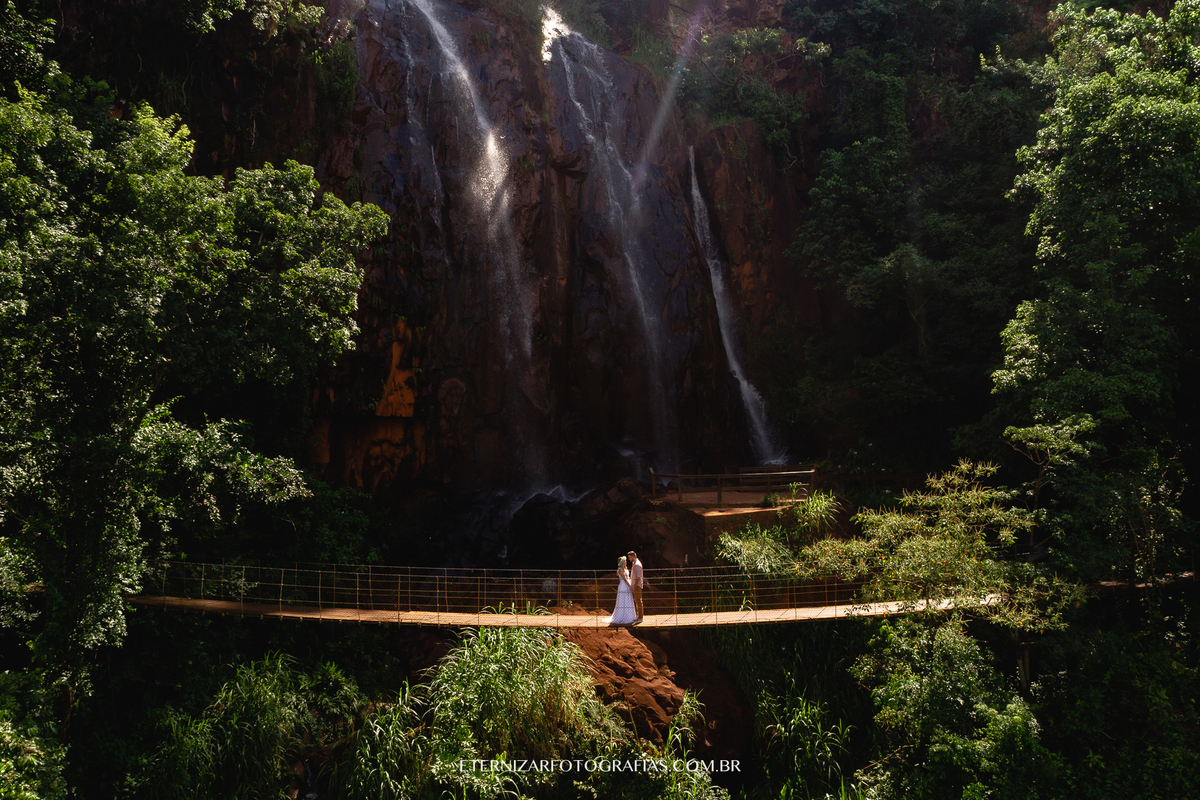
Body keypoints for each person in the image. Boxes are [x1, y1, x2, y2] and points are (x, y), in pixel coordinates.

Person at [603, 556, 637, 625]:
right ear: (621, 562)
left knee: (628, 599)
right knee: (623, 600)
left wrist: (631, 584)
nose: (625, 562)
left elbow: (628, 578)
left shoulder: (625, 569)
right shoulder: (620, 569)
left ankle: (630, 616)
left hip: (627, 585)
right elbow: (624, 578)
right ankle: (623, 617)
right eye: (624, 561)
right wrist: (630, 586)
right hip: (623, 586)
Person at [627, 550, 644, 622]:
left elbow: (638, 578)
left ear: (633, 556)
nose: (629, 559)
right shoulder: (634, 563)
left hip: (637, 585)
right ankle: (638, 616)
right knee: (636, 600)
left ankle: (640, 617)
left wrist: (634, 586)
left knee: (638, 600)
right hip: (635, 585)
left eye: (630, 557)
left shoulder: (637, 565)